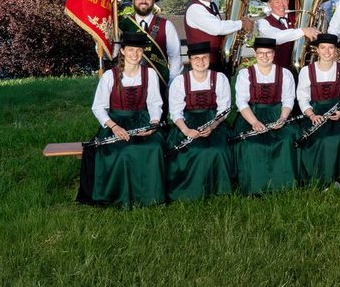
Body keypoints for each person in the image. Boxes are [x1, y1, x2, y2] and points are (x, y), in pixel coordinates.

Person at [77, 31, 165, 209]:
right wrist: (114, 127)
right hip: (115, 123)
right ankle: (121, 196)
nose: (135, 54)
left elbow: (155, 103)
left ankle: (150, 196)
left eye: (139, 51)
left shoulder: (150, 74)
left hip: (142, 120)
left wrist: (153, 124)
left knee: (154, 148)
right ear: (123, 51)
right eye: (131, 50)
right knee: (123, 152)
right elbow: (98, 107)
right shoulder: (110, 76)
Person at [164, 41, 234, 202]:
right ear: (190, 60)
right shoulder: (180, 82)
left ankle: (218, 189)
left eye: (204, 57)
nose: (200, 61)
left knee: (218, 150)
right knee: (191, 150)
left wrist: (213, 125)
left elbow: (225, 109)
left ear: (209, 59)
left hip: (214, 122)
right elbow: (175, 112)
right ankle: (189, 191)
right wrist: (186, 131)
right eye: (196, 58)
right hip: (186, 123)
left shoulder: (220, 78)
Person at [232, 37, 300, 195]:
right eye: (261, 53)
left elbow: (288, 99)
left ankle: (284, 185)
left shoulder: (285, 73)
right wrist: (254, 122)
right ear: (255, 54)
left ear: (274, 54)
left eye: (268, 53)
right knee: (251, 144)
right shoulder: (245, 74)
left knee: (286, 139)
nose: (265, 56)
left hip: (278, 113)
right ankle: (254, 186)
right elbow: (241, 102)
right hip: (252, 114)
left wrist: (283, 118)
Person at [295, 34, 340, 188]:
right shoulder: (307, 70)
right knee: (320, 139)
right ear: (317, 50)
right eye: (323, 47)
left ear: (336, 51)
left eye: (331, 48)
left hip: (338, 113)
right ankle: (322, 179)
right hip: (315, 113)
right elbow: (302, 97)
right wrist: (311, 115)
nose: (327, 51)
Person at [184, 0, 255, 75]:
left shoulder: (212, 6)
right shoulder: (195, 8)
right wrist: (242, 23)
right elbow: (217, 28)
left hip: (216, 63)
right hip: (204, 67)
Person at [118, 0, 181, 84]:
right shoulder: (123, 25)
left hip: (160, 83)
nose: (143, 1)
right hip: (129, 84)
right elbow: (113, 54)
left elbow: (175, 58)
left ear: (154, 1)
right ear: (133, 1)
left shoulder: (167, 25)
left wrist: (171, 84)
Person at [256, 0, 320, 70]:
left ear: (288, 1)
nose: (281, 5)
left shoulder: (299, 18)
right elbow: (276, 38)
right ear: (269, 4)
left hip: (304, 69)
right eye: (277, 2)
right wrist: (303, 31)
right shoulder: (263, 22)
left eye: (284, 0)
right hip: (277, 72)